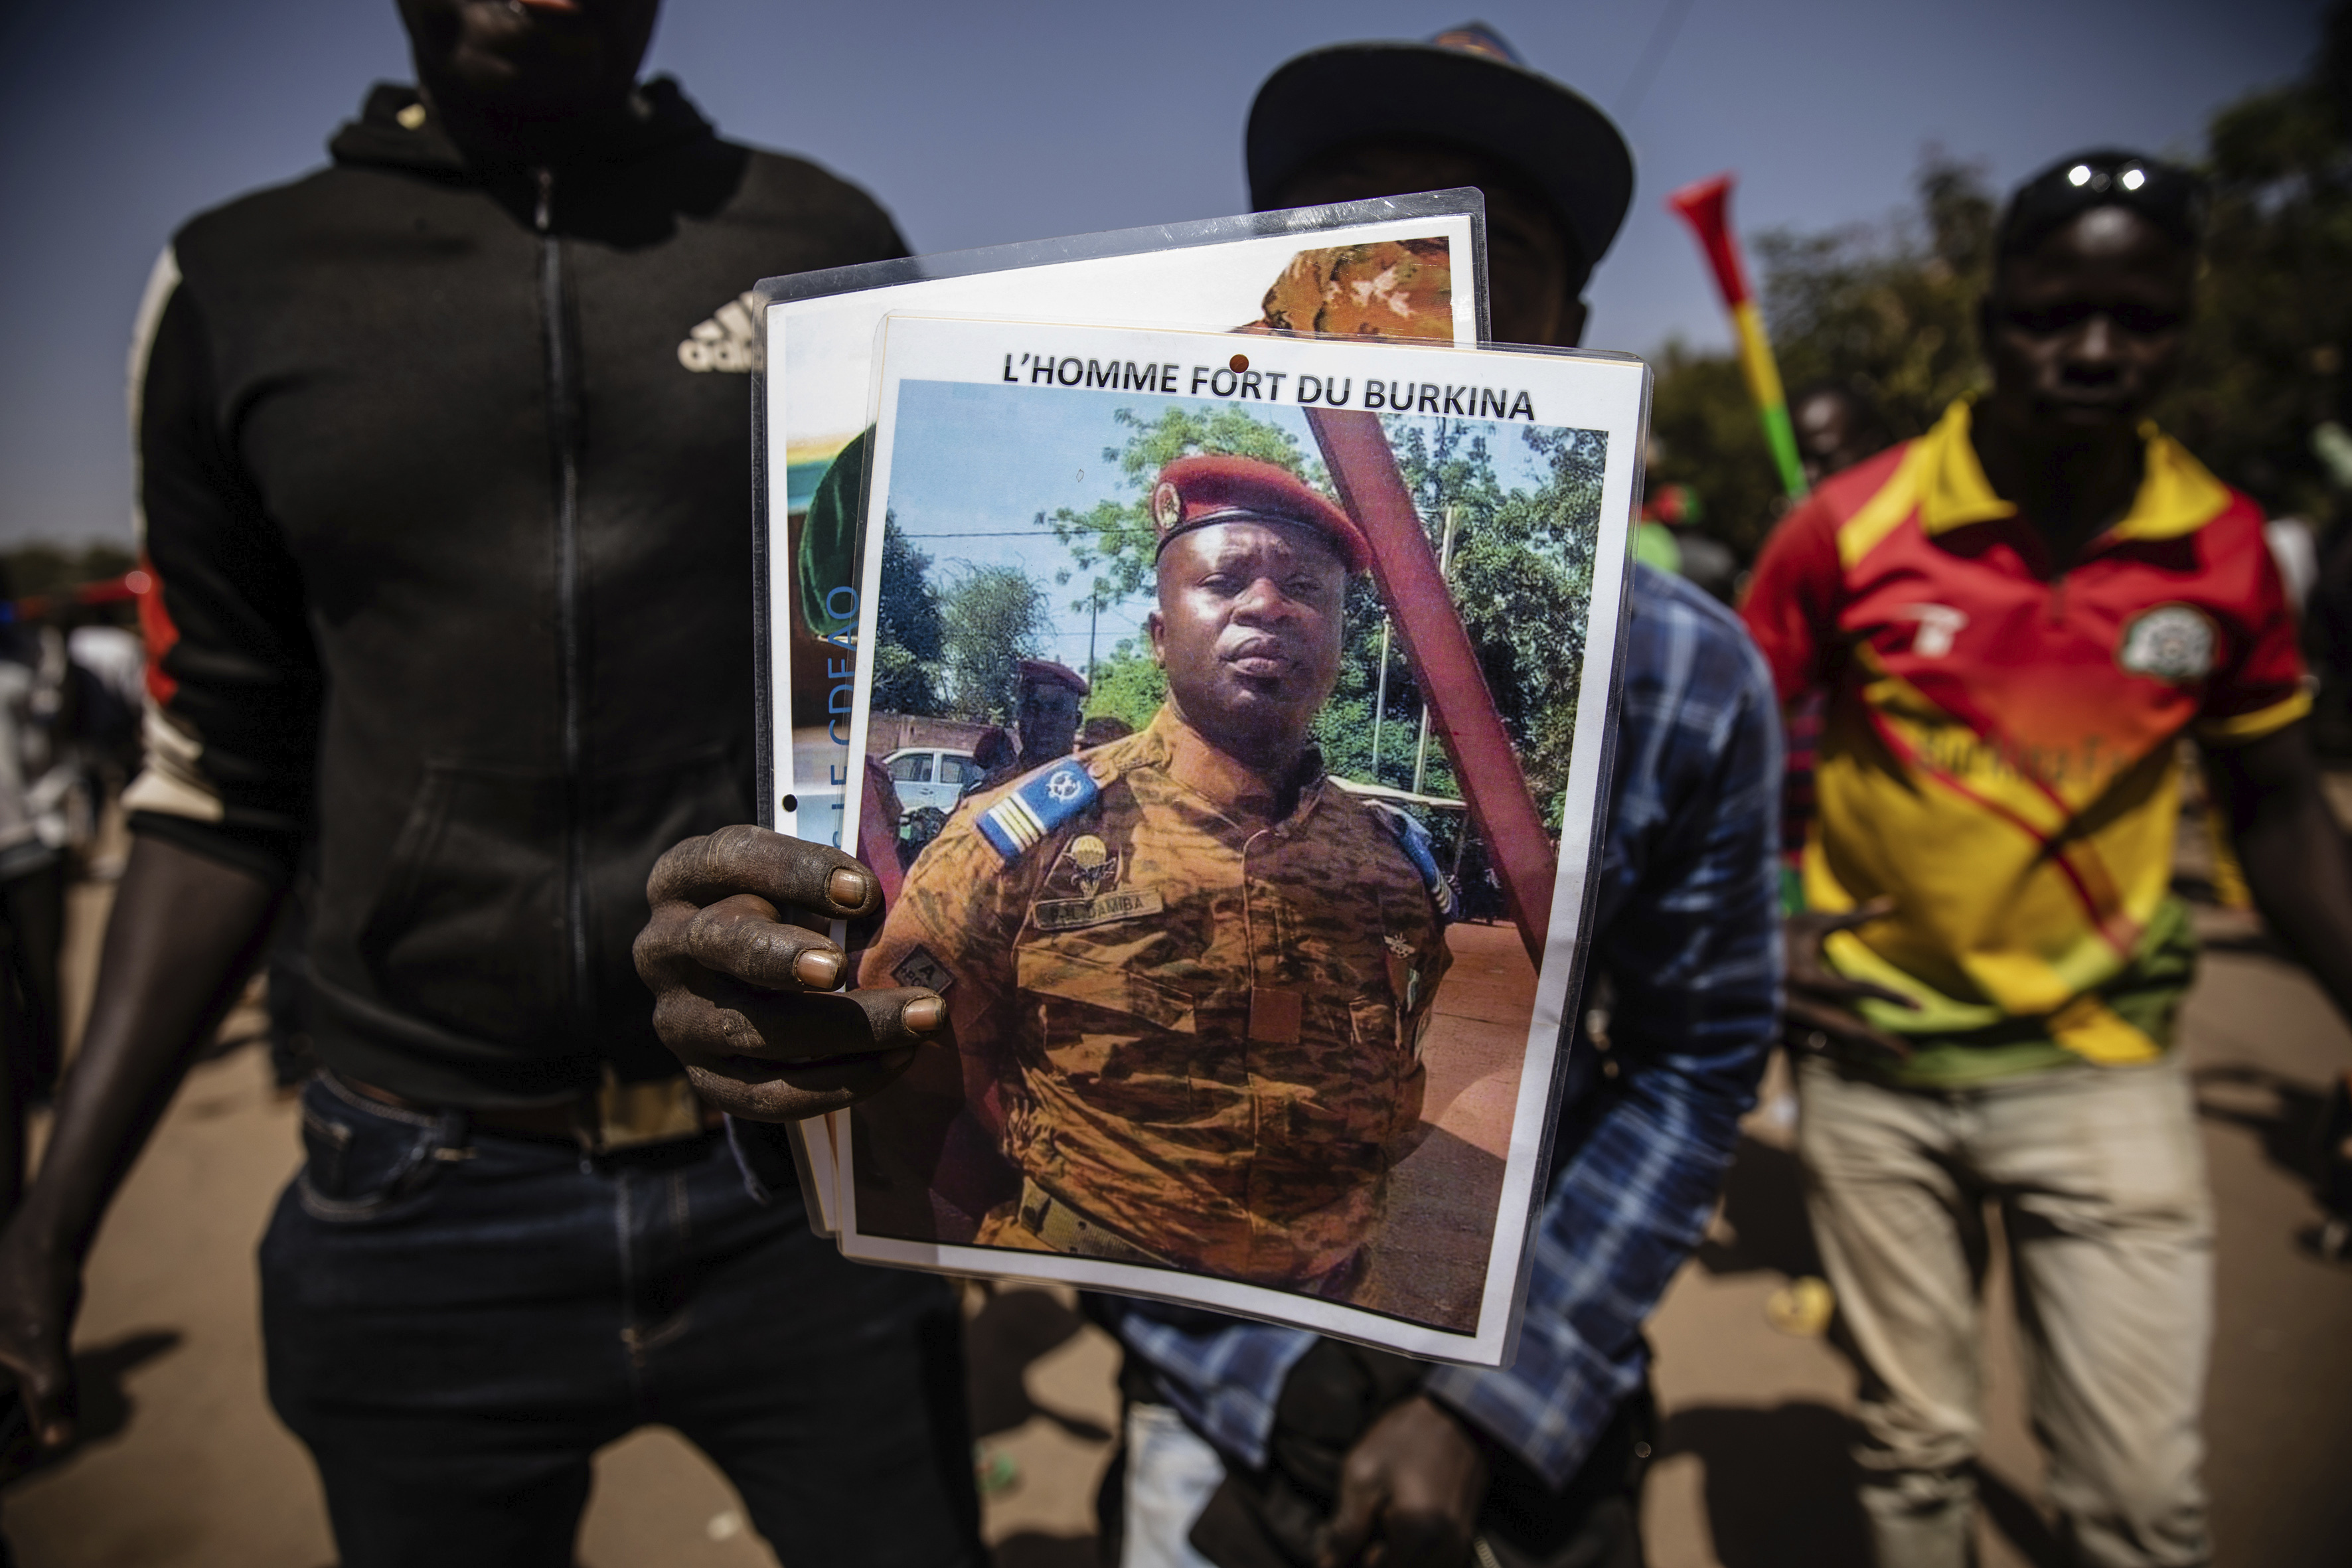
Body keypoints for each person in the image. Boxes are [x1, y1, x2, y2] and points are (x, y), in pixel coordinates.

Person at [0, 4, 979, 1564]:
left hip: (791, 1170)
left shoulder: (823, 242)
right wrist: (48, 1226)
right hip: (417, 1181)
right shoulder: (238, 285)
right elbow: (217, 791)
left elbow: (894, 708)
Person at [1097, 26, 1783, 1568]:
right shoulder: (1118, 772)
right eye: (1361, 240)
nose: (1414, 296)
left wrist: (1496, 1404)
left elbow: (1695, 1057)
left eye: (1488, 247)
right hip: (1209, 1387)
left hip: (1527, 1378)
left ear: (1568, 327)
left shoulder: (1681, 673)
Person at [1742, 149, 2352, 1568]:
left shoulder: (2219, 550)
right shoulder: (1845, 529)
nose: (2090, 350)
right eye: (2049, 313)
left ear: (2182, 322)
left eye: (2136, 318)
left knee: (2137, 1500)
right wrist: (1756, 934)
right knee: (1913, 1447)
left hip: (2103, 1066)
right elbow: (1731, 763)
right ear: (1990, 314)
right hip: (1873, 1063)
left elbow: (2275, 805)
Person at [857, 455, 1455, 1294]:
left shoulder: (1395, 871)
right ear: (1160, 633)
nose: (1267, 605)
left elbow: (1395, 1101)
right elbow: (895, 1075)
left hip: (1332, 1330)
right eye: (1226, 580)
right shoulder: (1024, 842)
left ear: (1339, 641)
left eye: (1305, 588)